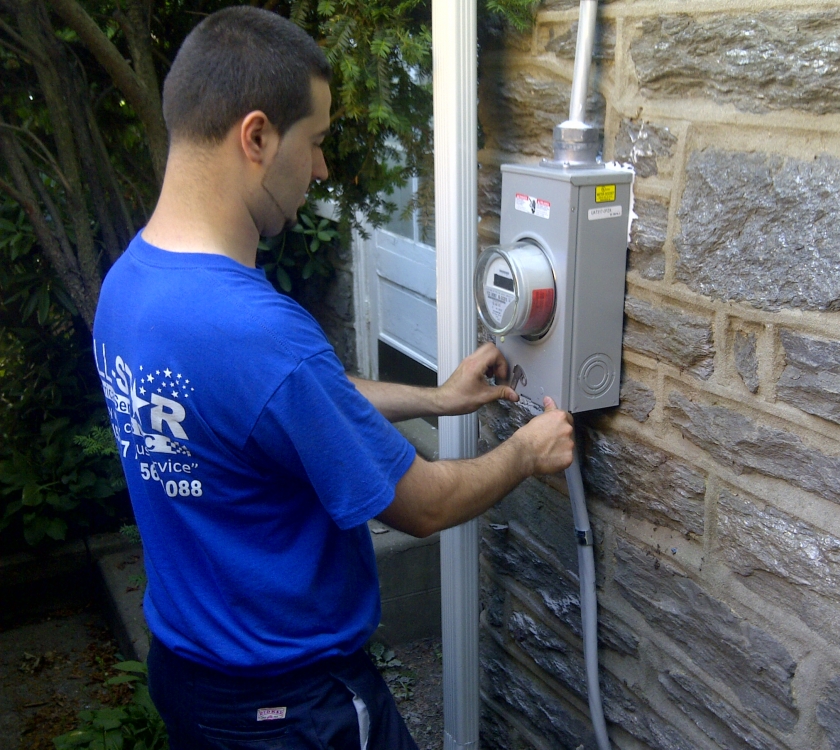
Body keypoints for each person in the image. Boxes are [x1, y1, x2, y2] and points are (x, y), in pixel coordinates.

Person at [91, 6, 575, 749]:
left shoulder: (129, 286)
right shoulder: (256, 333)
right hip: (288, 710)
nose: (319, 169)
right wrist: (526, 451)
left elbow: (271, 408)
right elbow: (420, 505)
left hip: (191, 682)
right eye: (314, 142)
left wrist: (438, 397)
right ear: (255, 137)